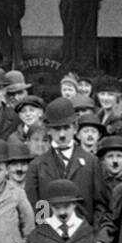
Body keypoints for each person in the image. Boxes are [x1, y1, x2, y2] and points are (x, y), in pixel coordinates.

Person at [24, 98, 109, 229]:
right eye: (57, 129)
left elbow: (100, 204)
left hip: (83, 238)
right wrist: (45, 233)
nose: (62, 134)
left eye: (66, 127)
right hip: (50, 239)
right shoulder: (37, 165)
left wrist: (93, 234)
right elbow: (36, 206)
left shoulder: (91, 162)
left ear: (75, 128)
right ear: (49, 130)